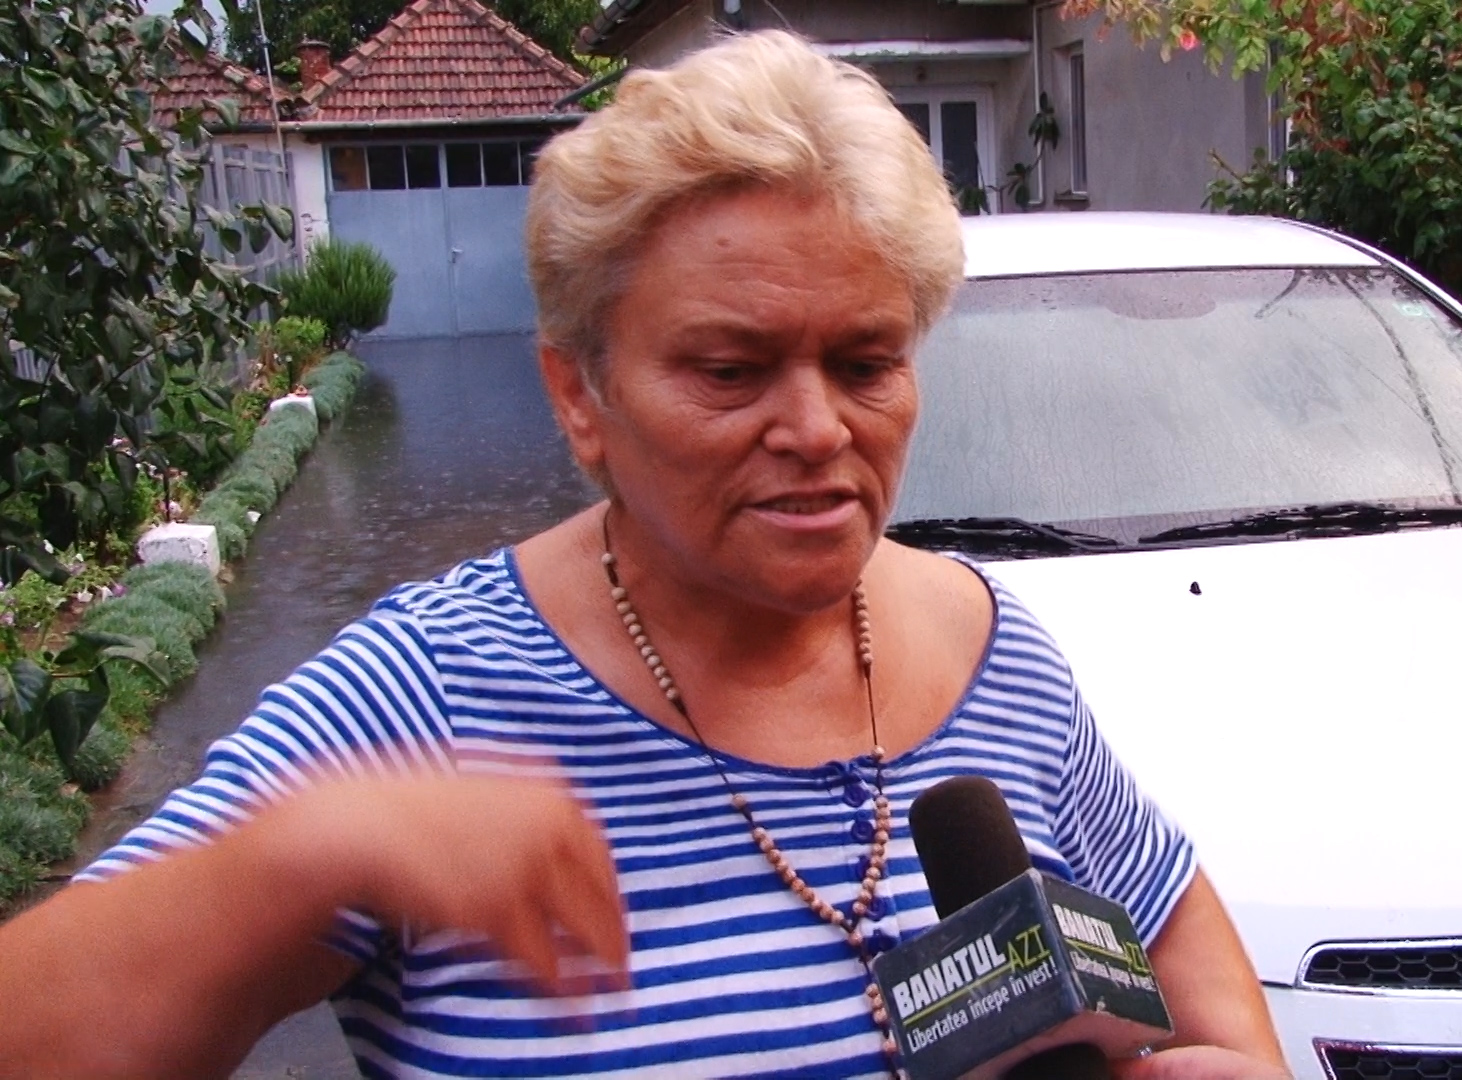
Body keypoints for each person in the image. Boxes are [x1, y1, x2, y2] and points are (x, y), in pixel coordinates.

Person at [0, 30, 1288, 1080]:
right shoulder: (425, 698)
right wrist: (302, 859)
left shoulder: (994, 651)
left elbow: (1177, 923)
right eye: (730, 370)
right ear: (580, 395)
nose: (817, 428)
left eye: (866, 362)